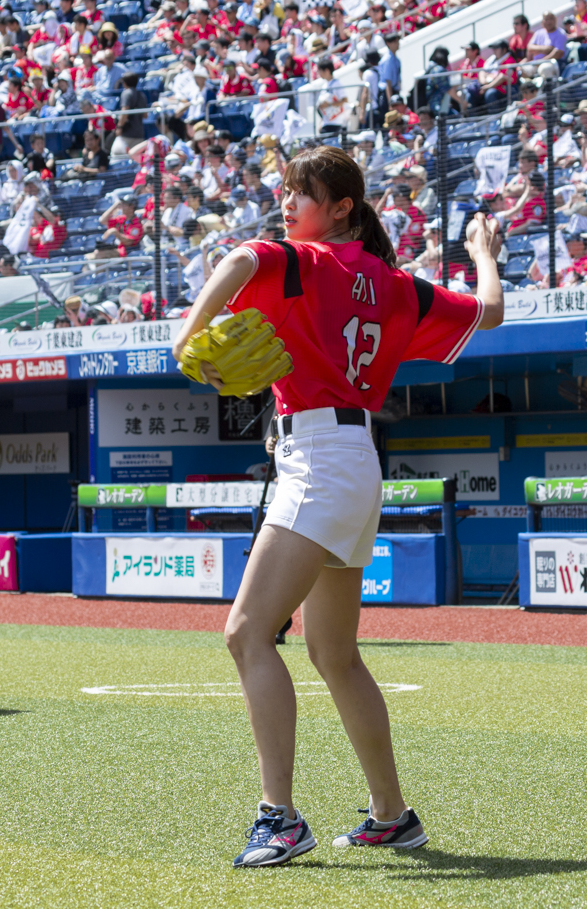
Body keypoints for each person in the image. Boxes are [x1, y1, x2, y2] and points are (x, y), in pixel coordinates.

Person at [170, 145, 500, 869]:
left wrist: (186, 337)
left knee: (248, 633)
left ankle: (279, 817)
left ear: (343, 206)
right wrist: (480, 250)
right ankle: (392, 814)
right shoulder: (398, 284)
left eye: (302, 193)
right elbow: (492, 312)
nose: (287, 205)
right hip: (354, 461)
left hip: (317, 457)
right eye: (286, 193)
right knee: (334, 652)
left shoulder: (300, 261)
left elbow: (236, 263)